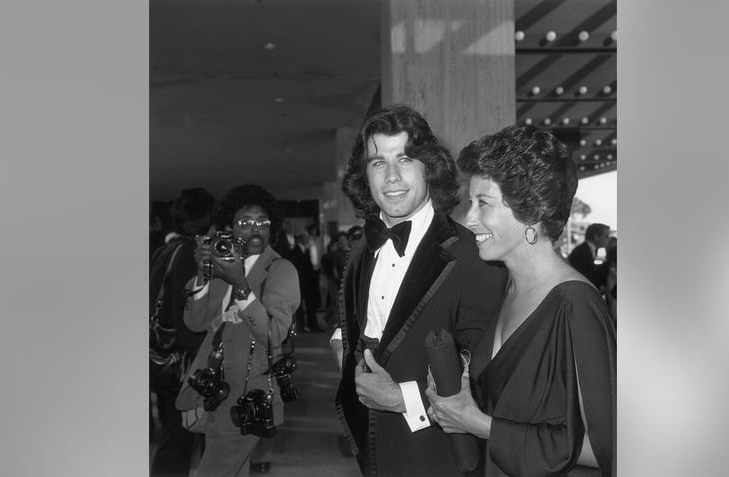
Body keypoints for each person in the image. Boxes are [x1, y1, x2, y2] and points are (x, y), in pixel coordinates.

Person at [425, 124, 616, 476]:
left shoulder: (575, 307)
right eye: (470, 203)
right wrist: (459, 396)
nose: (468, 219)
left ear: (531, 211)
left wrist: (479, 423)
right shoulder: (510, 287)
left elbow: (608, 451)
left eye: (483, 203)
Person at [332, 104, 508, 476]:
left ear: (430, 167)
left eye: (406, 159)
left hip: (438, 456)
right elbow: (359, 319)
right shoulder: (362, 247)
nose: (392, 176)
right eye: (378, 162)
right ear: (365, 176)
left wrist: (401, 399)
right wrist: (342, 344)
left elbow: (491, 382)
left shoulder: (476, 257)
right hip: (370, 449)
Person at [175, 184, 301, 477]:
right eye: (244, 222)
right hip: (213, 386)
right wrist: (203, 274)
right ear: (229, 228)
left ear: (272, 228)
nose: (254, 228)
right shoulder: (223, 266)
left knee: (214, 469)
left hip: (249, 391)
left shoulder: (281, 270)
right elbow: (195, 323)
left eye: (262, 222)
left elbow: (273, 334)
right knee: (234, 469)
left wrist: (241, 285)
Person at [150, 188, 215, 477]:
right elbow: (185, 311)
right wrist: (201, 355)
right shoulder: (190, 254)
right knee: (178, 442)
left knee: (172, 438)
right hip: (181, 362)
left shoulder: (165, 251)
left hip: (162, 356)